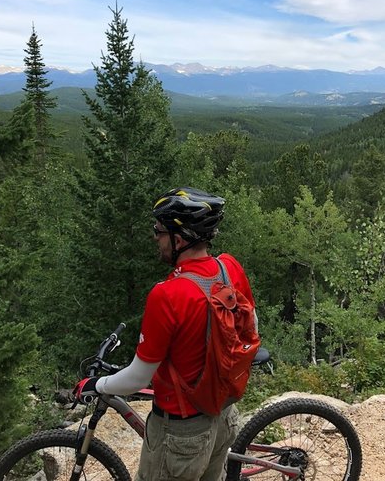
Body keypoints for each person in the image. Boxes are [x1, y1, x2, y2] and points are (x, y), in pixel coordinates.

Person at [74, 187, 257, 481]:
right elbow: (251, 328)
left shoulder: (167, 295)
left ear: (179, 239)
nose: (155, 237)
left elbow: (138, 379)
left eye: (159, 231)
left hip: (181, 434)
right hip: (223, 418)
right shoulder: (229, 268)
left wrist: (98, 384)